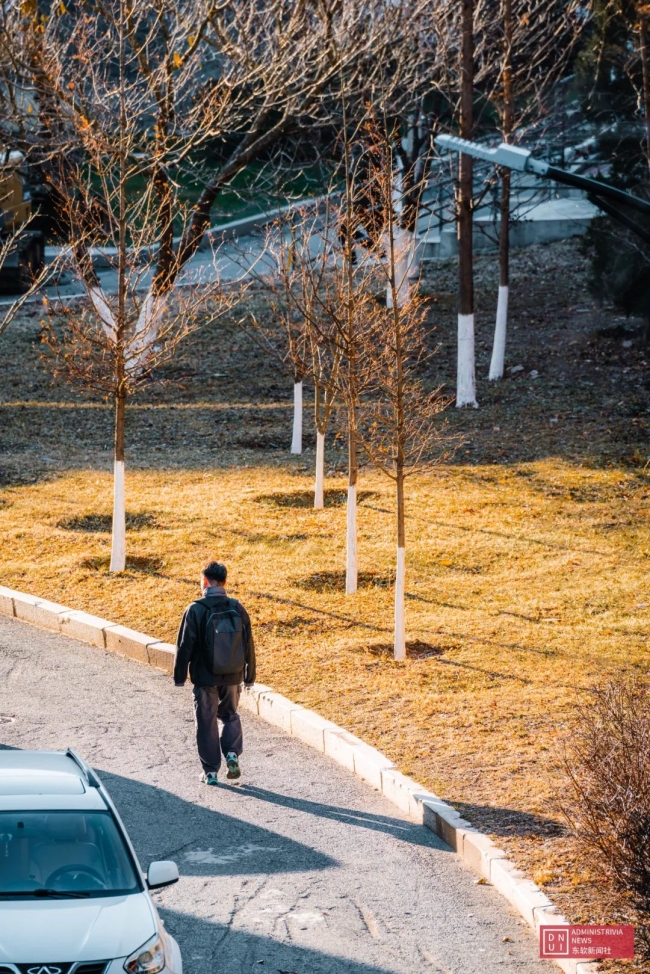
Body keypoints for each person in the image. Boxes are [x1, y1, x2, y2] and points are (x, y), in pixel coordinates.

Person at [174, 561, 256, 786]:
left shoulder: (196, 609)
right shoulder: (237, 607)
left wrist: (179, 677)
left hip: (205, 678)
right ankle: (231, 754)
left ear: (204, 581)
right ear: (225, 582)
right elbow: (249, 644)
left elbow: (184, 645)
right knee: (229, 715)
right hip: (233, 675)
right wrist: (249, 677)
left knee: (206, 721)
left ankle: (210, 772)